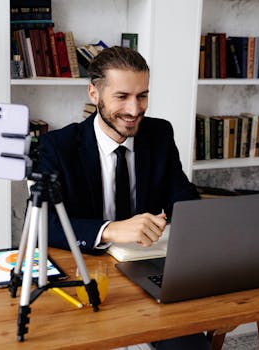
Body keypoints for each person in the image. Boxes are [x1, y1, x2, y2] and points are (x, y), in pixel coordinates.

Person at [38, 46, 209, 349]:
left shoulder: (159, 134)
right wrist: (110, 230)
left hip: (149, 269)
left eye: (142, 95)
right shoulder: (57, 146)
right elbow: (43, 222)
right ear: (94, 93)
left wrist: (174, 218)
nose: (134, 110)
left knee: (190, 345)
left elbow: (183, 197)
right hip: (85, 272)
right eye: (122, 97)